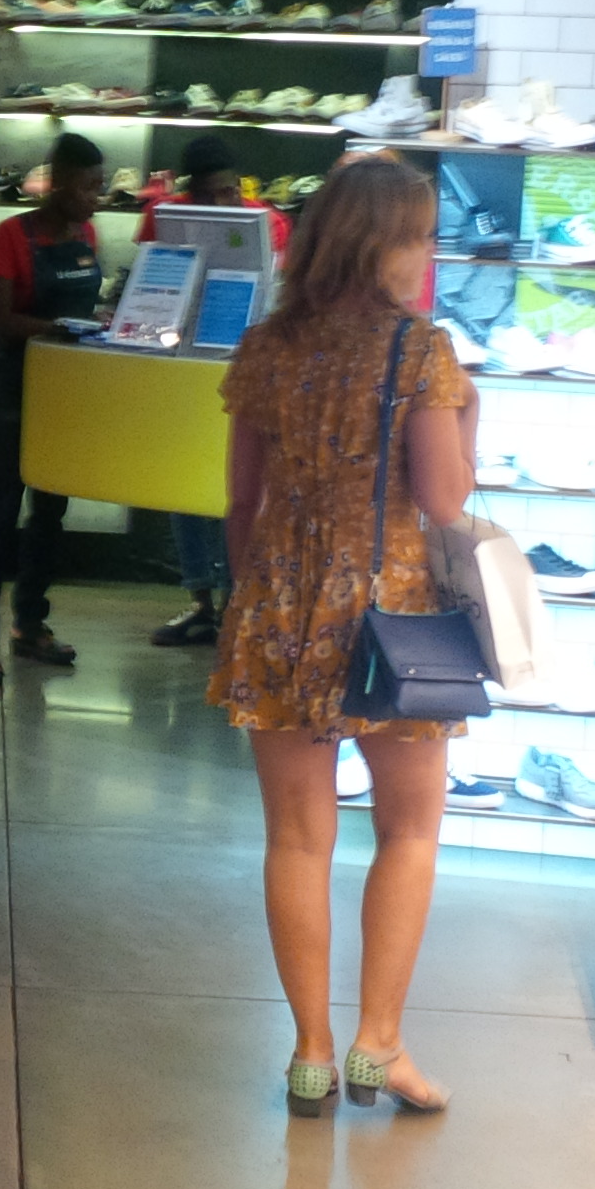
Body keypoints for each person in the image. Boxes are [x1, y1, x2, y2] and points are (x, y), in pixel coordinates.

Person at [210, 152, 476, 1117]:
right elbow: (443, 499)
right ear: (387, 245)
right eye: (423, 236)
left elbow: (242, 503)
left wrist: (259, 598)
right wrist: (470, 415)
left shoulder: (267, 347)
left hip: (280, 606)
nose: (429, 252)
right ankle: (379, 1044)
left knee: (296, 840)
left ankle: (311, 1054)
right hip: (396, 621)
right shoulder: (421, 351)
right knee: (408, 828)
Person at [0, 132, 107, 684]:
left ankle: (30, 624)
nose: (97, 197)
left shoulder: (87, 235)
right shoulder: (10, 236)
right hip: (13, 389)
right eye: (89, 186)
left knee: (49, 514)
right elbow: (0, 322)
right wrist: (59, 329)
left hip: (64, 393)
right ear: (60, 183)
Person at [138, 134, 289, 647]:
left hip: (247, 361)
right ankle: (201, 601)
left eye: (228, 191)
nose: (222, 203)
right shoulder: (163, 215)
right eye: (208, 194)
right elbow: (151, 280)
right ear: (191, 190)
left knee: (238, 485)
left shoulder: (269, 221)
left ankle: (234, 602)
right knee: (186, 478)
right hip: (186, 361)